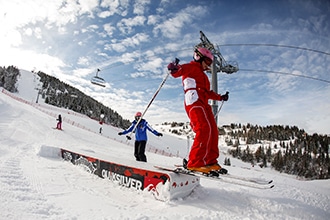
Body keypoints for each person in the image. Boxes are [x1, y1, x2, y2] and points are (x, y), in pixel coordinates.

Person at [167, 47, 229, 174]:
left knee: (213, 130)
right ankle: (194, 163)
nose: (208, 65)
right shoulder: (191, 67)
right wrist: (173, 68)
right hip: (194, 102)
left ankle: (210, 160)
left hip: (204, 103)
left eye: (210, 63)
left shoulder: (204, 77)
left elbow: (207, 93)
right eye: (207, 61)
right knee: (203, 128)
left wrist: (220, 97)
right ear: (198, 57)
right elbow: (178, 72)